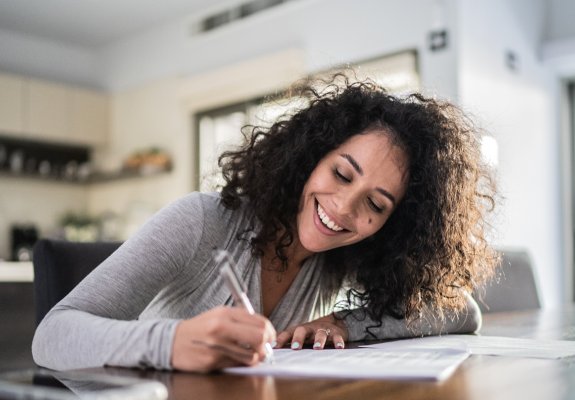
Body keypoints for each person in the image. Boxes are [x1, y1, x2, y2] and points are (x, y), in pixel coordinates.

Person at [32, 73, 498, 372]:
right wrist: (172, 343)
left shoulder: (341, 254)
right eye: (340, 174)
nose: (342, 209)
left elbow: (462, 312)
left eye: (374, 205)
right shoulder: (201, 221)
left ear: (392, 226)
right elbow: (51, 335)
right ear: (311, 155)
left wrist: (342, 323)